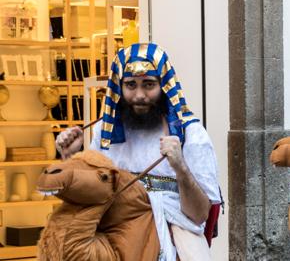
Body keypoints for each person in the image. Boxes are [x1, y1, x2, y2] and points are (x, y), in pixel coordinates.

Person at [55, 43, 221, 261]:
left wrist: (180, 167)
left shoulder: (191, 134)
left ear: (164, 86)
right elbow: (89, 196)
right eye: (131, 85)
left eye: (149, 84)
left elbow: (200, 215)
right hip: (115, 228)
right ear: (119, 86)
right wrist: (71, 157)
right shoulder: (105, 132)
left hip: (174, 231)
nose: (140, 95)